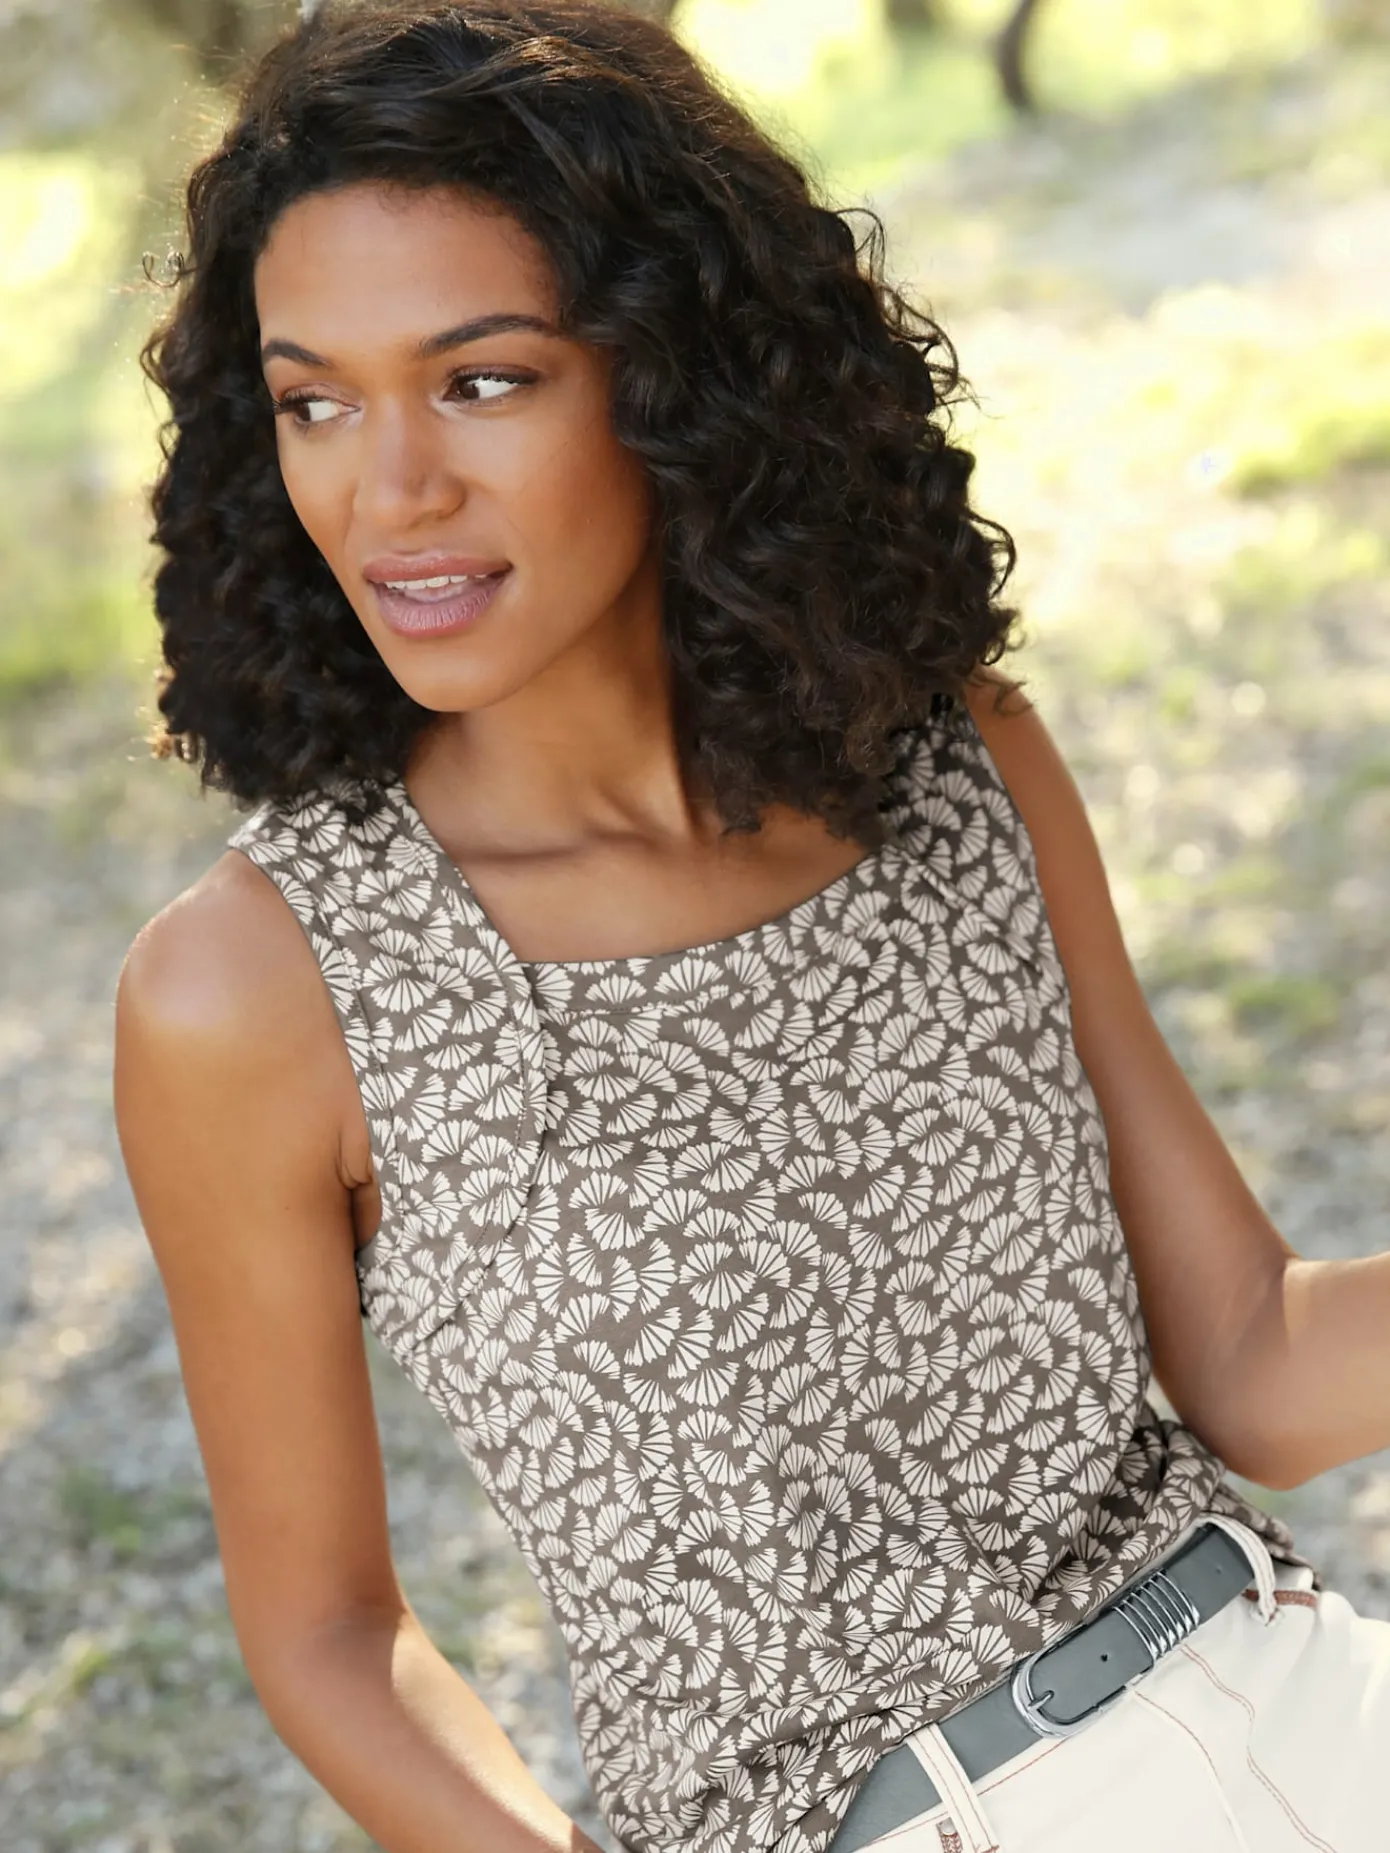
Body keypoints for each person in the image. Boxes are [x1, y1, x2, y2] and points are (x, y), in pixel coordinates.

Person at [112, 5, 1390, 1852]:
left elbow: (1254, 1359)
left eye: (482, 381)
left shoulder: (943, 756)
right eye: (315, 401)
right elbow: (327, 1633)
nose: (389, 491)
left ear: (675, 375)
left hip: (1307, 1693)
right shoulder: (257, 985)